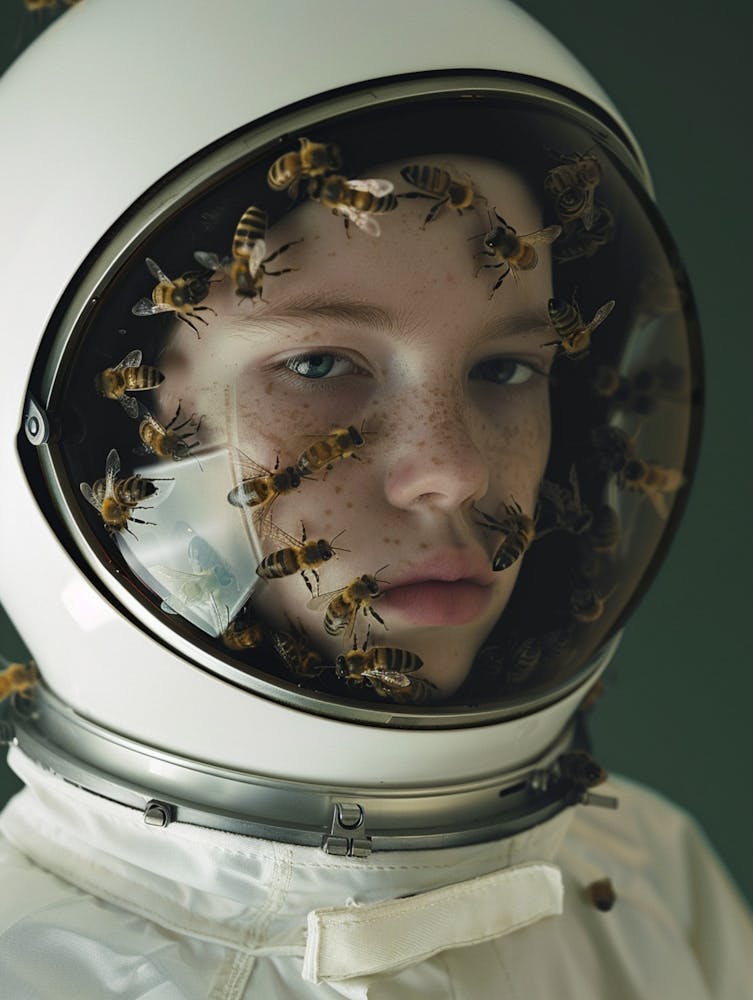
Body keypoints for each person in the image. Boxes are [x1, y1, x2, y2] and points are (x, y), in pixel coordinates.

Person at [0, 1, 750, 997]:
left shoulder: (655, 881)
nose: (454, 471)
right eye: (317, 362)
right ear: (107, 430)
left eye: (507, 370)